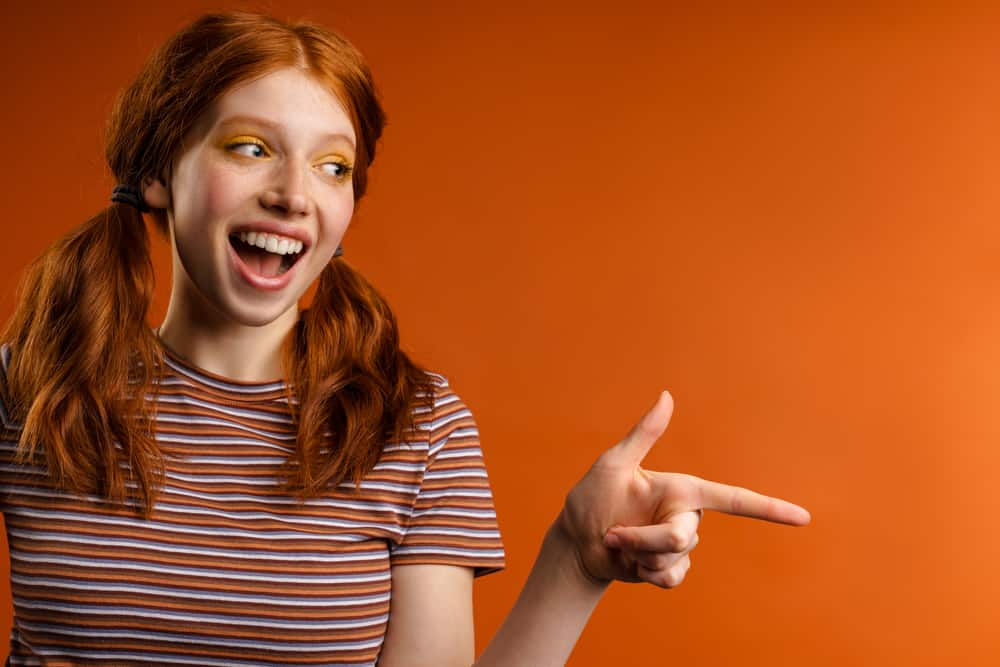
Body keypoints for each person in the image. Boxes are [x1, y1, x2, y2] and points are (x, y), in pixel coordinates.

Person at [0, 11, 810, 667]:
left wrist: (574, 559)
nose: (292, 194)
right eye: (251, 149)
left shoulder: (415, 426)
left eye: (332, 166)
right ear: (156, 171)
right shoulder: (27, 389)